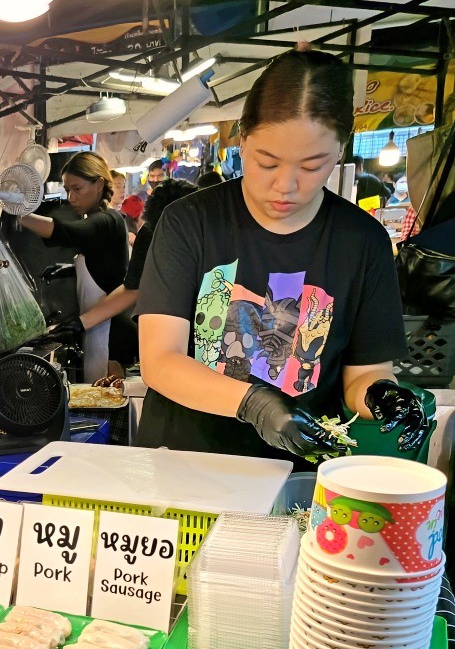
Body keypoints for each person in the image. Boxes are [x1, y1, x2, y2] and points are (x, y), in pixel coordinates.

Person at [135, 45, 427, 463]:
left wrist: (383, 395)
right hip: (185, 466)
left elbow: (364, 372)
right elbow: (161, 360)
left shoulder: (362, 240)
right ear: (243, 137)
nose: (285, 186)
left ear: (340, 152)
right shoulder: (190, 221)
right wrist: (253, 403)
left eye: (311, 167)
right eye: (267, 163)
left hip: (296, 476)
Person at [58, 178, 198, 368]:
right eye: (166, 230)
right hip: (165, 335)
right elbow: (132, 289)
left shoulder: (212, 236)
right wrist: (80, 324)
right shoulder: (149, 234)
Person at [17, 152, 129, 382]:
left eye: (77, 189)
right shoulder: (104, 221)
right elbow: (103, 266)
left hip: (112, 335)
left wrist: (22, 216)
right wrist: (67, 269)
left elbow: (68, 233)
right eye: (67, 190)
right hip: (97, 327)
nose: (70, 197)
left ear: (98, 184)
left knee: (106, 400)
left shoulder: (106, 221)